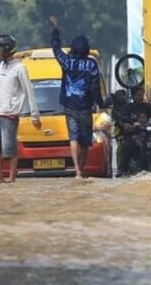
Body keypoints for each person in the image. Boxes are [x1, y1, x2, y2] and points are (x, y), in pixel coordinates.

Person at [49, 15, 104, 179]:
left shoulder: (67, 62)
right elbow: (95, 86)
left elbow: (56, 49)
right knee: (85, 139)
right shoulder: (92, 64)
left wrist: (55, 30)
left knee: (73, 136)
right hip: (85, 107)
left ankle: (77, 171)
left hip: (70, 106)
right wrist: (100, 103)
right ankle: (82, 167)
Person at [0, 34, 41, 184]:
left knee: (9, 146)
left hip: (10, 114)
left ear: (6, 50)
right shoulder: (1, 66)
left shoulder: (20, 68)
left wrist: (34, 115)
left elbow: (29, 91)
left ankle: (11, 176)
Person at [117, 86, 151, 175]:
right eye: (138, 95)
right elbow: (122, 120)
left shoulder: (147, 107)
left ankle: (149, 169)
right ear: (133, 96)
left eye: (142, 95)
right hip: (132, 134)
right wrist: (128, 125)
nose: (140, 97)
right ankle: (122, 169)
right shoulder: (128, 108)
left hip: (146, 135)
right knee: (127, 146)